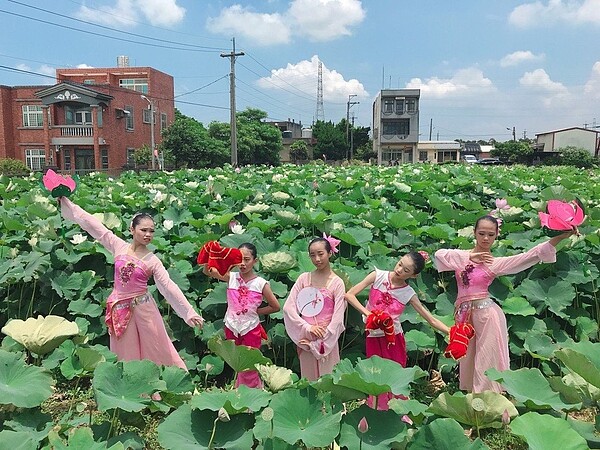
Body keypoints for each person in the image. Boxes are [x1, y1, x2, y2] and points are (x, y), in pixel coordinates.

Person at [434, 215, 575, 393]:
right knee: (468, 357)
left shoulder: (495, 263)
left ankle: (488, 400)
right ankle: (472, 399)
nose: (486, 238)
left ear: (496, 235)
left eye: (490, 235)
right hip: (464, 316)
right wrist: (471, 255)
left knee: (487, 358)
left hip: (487, 315)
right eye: (482, 233)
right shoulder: (461, 258)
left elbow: (530, 255)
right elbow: (439, 255)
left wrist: (560, 237)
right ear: (474, 233)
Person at [59, 198, 203, 370]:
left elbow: (168, 286)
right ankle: (130, 390)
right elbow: (94, 226)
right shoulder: (118, 246)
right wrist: (68, 204)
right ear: (132, 229)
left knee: (157, 349)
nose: (148, 234)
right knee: (125, 353)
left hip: (144, 309)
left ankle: (163, 389)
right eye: (143, 230)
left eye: (151, 231)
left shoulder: (153, 260)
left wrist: (189, 312)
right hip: (119, 308)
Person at [345, 251, 450, 409]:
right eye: (400, 264)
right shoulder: (377, 276)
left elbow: (430, 319)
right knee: (375, 374)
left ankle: (398, 411)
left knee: (395, 376)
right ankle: (377, 408)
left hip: (393, 339)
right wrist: (368, 314)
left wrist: (451, 331)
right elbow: (350, 295)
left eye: (406, 270)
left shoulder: (408, 293)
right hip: (373, 335)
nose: (400, 270)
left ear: (414, 275)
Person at [203, 242, 280, 388]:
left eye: (247, 259)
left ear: (255, 261)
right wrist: (210, 252)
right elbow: (208, 271)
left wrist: (258, 311)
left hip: (251, 328)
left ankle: (250, 401)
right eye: (240, 259)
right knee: (237, 365)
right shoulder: (231, 277)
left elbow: (275, 306)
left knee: (249, 367)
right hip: (231, 326)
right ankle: (239, 394)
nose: (243, 263)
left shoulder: (261, 283)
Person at [283, 236, 346, 380]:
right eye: (312, 255)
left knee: (329, 381)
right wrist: (306, 327)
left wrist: (319, 343)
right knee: (309, 380)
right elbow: (288, 308)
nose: (317, 259)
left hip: (327, 338)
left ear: (330, 253)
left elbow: (337, 319)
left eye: (321, 254)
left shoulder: (337, 283)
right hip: (306, 336)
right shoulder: (304, 279)